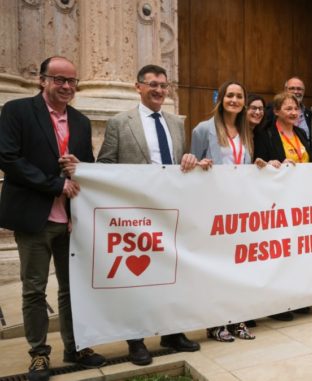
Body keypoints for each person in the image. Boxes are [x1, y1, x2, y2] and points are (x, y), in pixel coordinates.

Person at [0, 56, 106, 381]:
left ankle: (75, 348)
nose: (66, 86)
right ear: (42, 79)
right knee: (34, 289)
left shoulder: (81, 121)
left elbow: (86, 167)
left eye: (72, 81)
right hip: (34, 218)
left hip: (71, 222)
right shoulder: (16, 111)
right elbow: (8, 157)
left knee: (72, 289)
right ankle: (39, 355)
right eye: (59, 79)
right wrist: (56, 183)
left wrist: (80, 169)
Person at [98, 64, 205, 366]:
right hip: (135, 214)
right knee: (139, 279)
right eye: (152, 84)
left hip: (171, 212)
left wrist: (191, 160)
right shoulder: (120, 122)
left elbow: (180, 165)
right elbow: (104, 165)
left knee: (173, 276)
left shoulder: (175, 122)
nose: (159, 90)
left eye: (163, 85)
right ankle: (136, 339)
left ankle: (172, 332)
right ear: (138, 87)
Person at [189, 80, 259, 336]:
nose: (234, 100)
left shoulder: (245, 132)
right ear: (221, 99)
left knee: (238, 266)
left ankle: (237, 319)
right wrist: (199, 164)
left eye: (239, 96)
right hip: (214, 209)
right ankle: (215, 323)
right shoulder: (203, 129)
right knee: (217, 267)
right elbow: (189, 166)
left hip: (239, 209)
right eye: (230, 95)